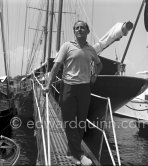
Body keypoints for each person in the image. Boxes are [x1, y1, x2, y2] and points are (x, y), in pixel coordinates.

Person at [43, 20, 103, 165]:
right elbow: (56, 66)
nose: (79, 30)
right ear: (74, 31)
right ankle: (78, 155)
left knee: (81, 122)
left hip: (84, 88)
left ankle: (71, 152)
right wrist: (47, 85)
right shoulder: (67, 46)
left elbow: (99, 64)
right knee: (70, 122)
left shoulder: (90, 50)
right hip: (68, 87)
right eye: (77, 28)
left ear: (87, 31)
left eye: (82, 28)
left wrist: (94, 75)